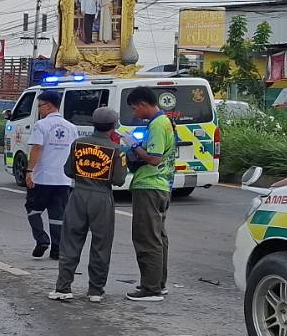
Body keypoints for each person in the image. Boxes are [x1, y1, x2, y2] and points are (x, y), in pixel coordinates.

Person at [50, 107, 128, 302]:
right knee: (101, 245)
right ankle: (95, 290)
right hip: (102, 198)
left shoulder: (78, 144)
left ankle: (63, 287)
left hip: (78, 195)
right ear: (113, 127)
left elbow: (68, 171)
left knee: (70, 242)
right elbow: (119, 180)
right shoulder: (116, 150)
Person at [124, 86, 175, 302]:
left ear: (144, 104)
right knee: (159, 237)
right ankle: (158, 283)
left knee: (147, 238)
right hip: (162, 185)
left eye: (135, 108)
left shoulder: (156, 124)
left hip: (150, 185)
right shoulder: (165, 122)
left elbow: (154, 158)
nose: (135, 113)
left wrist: (133, 144)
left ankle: (150, 288)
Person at [24, 90, 76, 259]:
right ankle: (57, 249)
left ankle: (41, 239)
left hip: (42, 177)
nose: (39, 110)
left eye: (40, 106)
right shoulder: (72, 128)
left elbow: (37, 148)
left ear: (48, 105)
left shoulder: (41, 125)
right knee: (57, 215)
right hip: (63, 179)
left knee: (33, 209)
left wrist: (29, 171)